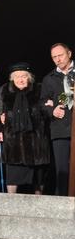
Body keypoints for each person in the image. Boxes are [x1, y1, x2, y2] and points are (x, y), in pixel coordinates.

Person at [0, 62, 50, 194]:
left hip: (36, 142)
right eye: (17, 76)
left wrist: (48, 107)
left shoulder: (39, 90)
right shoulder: (5, 90)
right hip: (13, 143)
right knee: (13, 176)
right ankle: (11, 203)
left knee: (38, 178)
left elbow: (46, 111)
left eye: (24, 76)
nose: (21, 79)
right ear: (12, 78)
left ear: (29, 78)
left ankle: (38, 205)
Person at [41, 43, 74, 195]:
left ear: (69, 53)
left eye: (60, 55)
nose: (57, 59)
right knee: (62, 170)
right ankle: (62, 204)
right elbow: (43, 103)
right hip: (60, 128)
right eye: (54, 57)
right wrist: (51, 109)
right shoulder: (49, 79)